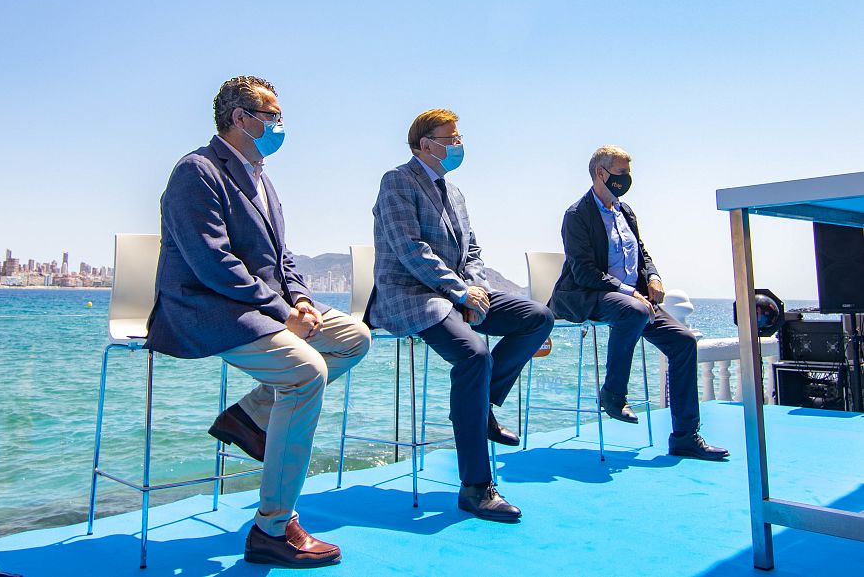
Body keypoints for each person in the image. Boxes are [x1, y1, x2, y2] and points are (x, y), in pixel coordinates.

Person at [145, 76, 371, 567]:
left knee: (354, 337)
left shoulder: (262, 178)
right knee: (306, 373)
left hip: (260, 305)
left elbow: (282, 257)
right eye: (271, 115)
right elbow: (212, 262)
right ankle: (272, 528)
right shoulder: (197, 171)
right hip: (208, 309)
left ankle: (250, 415)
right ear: (239, 118)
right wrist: (281, 311)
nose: (278, 125)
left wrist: (303, 301)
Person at [370, 109, 555, 521]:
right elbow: (409, 247)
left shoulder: (455, 193)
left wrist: (475, 290)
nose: (458, 145)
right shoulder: (397, 181)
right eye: (450, 138)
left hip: (459, 294)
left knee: (538, 318)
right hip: (413, 295)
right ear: (425, 145)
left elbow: (472, 251)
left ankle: (481, 403)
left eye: (459, 137)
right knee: (475, 356)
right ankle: (476, 487)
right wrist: (460, 292)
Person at [549, 145, 728, 461]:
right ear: (601, 173)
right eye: (621, 173)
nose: (626, 179)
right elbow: (583, 270)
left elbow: (642, 254)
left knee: (684, 342)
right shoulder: (577, 215)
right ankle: (614, 394)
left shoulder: (625, 212)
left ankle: (685, 436)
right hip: (587, 294)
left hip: (635, 298)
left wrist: (655, 277)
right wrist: (628, 292)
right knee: (632, 310)